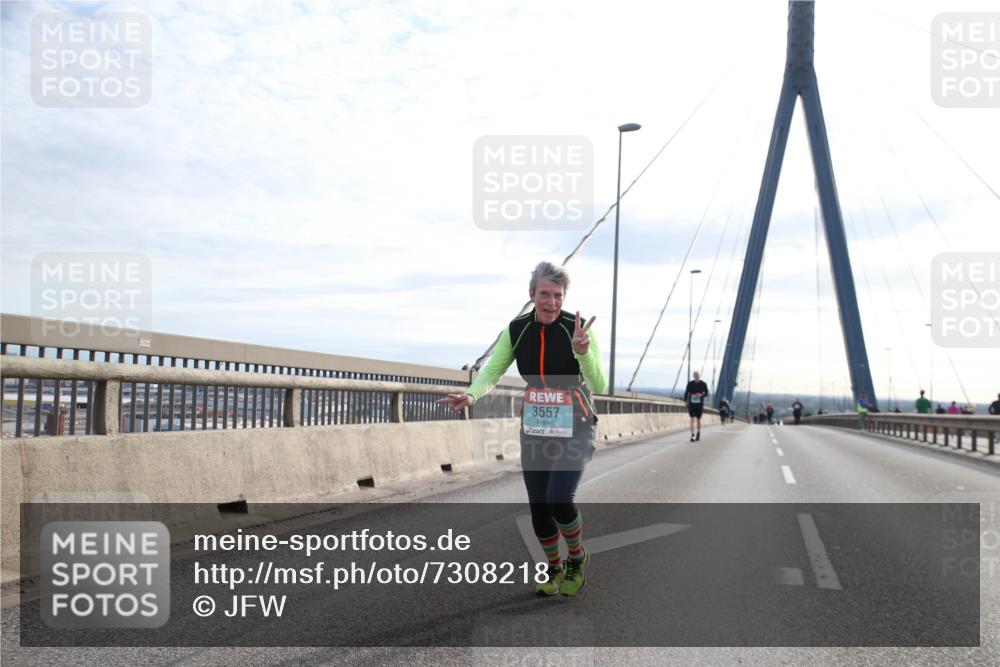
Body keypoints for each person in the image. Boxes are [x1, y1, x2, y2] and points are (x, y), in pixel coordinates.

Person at [438, 262, 605, 598]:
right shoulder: (517, 330)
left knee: (560, 499)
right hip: (538, 428)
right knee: (539, 507)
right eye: (545, 294)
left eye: (558, 296)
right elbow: (492, 373)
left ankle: (576, 558)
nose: (552, 302)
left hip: (577, 426)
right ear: (532, 296)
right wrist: (471, 395)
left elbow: (600, 382)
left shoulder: (578, 329)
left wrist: (582, 353)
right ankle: (554, 566)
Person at [684, 371, 709, 441]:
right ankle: (693, 436)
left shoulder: (703, 384)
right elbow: (686, 393)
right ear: (693, 376)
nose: (696, 376)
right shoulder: (690, 384)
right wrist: (685, 402)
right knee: (692, 419)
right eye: (695, 375)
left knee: (698, 419)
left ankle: (698, 433)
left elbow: (707, 393)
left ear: (699, 376)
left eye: (697, 375)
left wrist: (701, 395)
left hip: (699, 404)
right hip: (692, 404)